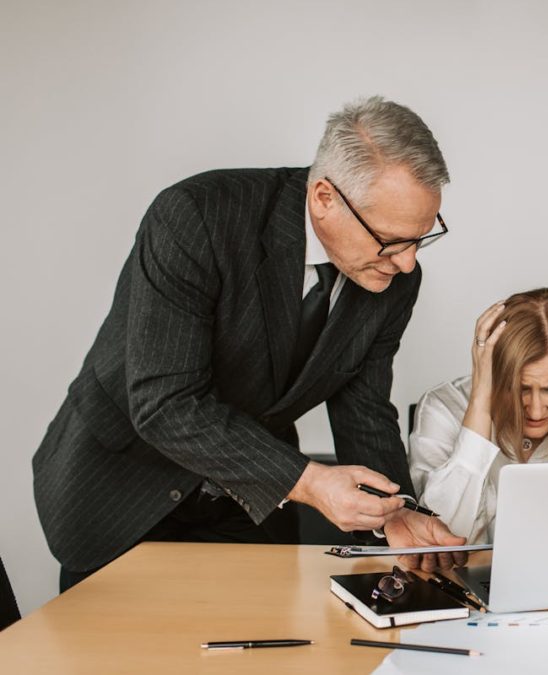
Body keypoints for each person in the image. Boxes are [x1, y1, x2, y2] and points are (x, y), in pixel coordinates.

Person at [33, 96, 466, 590]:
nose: (408, 263)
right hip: (120, 488)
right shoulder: (196, 216)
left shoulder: (392, 280)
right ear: (325, 198)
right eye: (391, 240)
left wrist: (396, 514)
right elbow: (164, 403)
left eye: (421, 238)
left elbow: (363, 409)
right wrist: (309, 481)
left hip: (250, 505)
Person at [409, 288, 548, 543]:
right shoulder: (444, 408)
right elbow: (444, 537)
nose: (536, 410)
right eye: (520, 389)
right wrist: (482, 401)